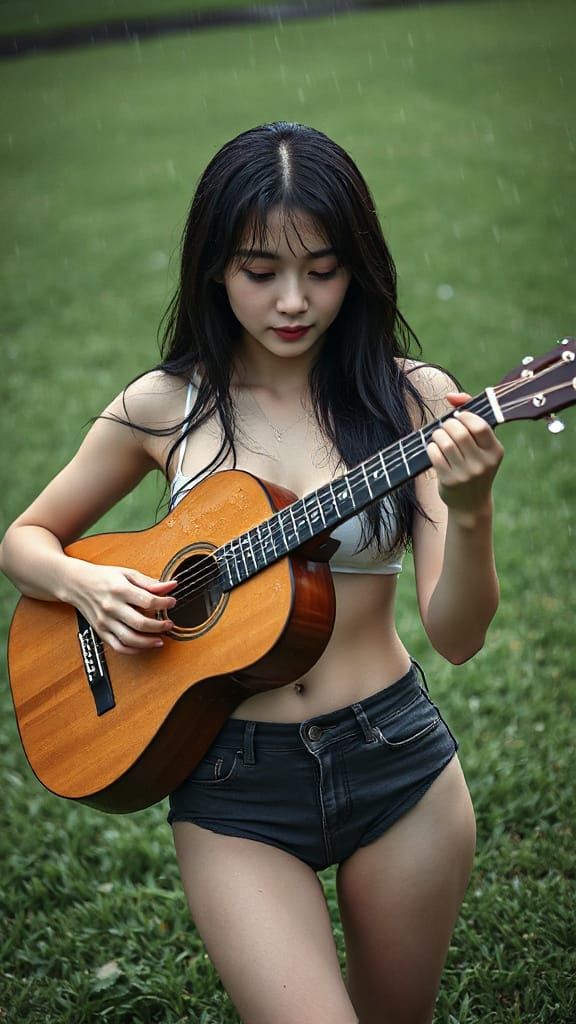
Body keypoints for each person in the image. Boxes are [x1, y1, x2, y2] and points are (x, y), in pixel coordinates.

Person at [0, 122, 504, 1024]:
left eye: (322, 268)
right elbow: (26, 539)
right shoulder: (167, 406)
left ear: (359, 265)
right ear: (213, 270)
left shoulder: (415, 400)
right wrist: (86, 585)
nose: (293, 300)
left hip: (398, 763)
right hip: (230, 781)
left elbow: (459, 637)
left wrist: (469, 512)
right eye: (259, 271)